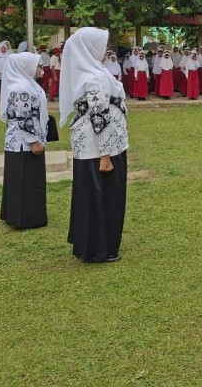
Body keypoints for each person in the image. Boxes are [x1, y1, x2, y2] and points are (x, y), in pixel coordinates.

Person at [60, 27, 129, 263]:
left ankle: (88, 246)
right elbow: (99, 117)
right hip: (102, 146)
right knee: (106, 197)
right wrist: (105, 154)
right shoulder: (96, 77)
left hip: (88, 145)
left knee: (89, 196)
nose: (105, 49)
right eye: (101, 44)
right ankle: (103, 249)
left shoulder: (87, 71)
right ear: (90, 48)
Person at [0, 52, 48, 229]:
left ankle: (28, 215)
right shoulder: (22, 88)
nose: (40, 69)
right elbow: (23, 118)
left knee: (30, 179)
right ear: (24, 67)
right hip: (22, 142)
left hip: (27, 139)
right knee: (23, 179)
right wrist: (33, 141)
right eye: (37, 65)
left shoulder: (29, 84)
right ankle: (24, 218)